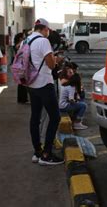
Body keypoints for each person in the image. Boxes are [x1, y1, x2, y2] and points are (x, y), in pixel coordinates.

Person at [25, 18, 64, 165]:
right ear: (45, 29)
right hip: (43, 83)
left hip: (31, 83)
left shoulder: (27, 40)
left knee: (35, 117)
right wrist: (56, 60)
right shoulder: (43, 41)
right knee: (55, 117)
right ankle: (47, 155)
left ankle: (37, 152)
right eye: (48, 30)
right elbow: (50, 64)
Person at [13, 32, 29, 104]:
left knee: (21, 83)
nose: (25, 37)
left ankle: (21, 99)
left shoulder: (17, 44)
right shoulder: (19, 45)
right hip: (21, 65)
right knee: (22, 82)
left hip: (19, 65)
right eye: (24, 36)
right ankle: (23, 99)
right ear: (20, 38)